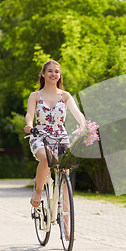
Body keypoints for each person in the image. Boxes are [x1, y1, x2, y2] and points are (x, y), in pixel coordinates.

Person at [24, 60, 85, 207]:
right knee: (45, 158)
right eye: (50, 71)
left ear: (60, 75)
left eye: (57, 71)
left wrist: (85, 126)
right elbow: (29, 114)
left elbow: (77, 113)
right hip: (40, 135)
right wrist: (29, 125)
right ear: (43, 74)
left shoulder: (65, 96)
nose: (54, 74)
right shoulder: (35, 95)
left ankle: (66, 225)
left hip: (60, 136)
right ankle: (38, 191)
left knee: (64, 177)